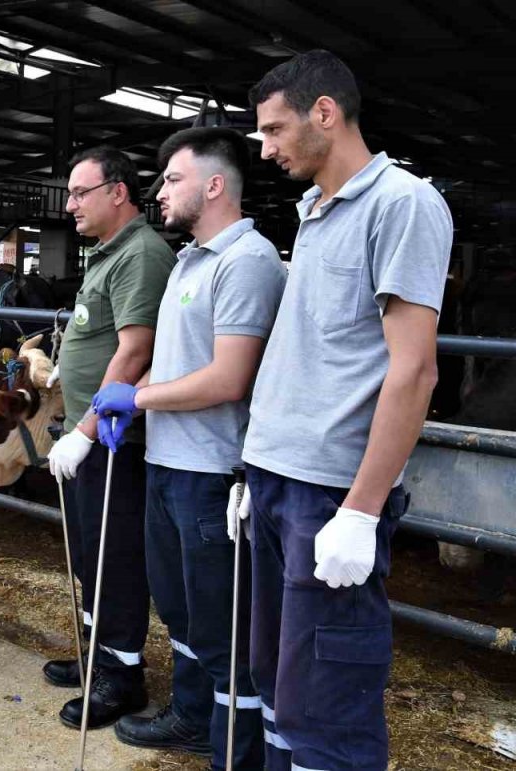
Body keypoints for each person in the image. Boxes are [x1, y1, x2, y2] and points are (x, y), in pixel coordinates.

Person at [240, 51, 452, 770]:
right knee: (277, 681)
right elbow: (312, 350)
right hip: (278, 479)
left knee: (328, 697)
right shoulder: (315, 210)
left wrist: (361, 510)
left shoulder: (402, 203)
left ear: (324, 113)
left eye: (274, 130)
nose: (265, 149)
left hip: (328, 493)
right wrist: (258, 462)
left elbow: (414, 367)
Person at [91, 128, 286, 768]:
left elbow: (229, 378)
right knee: (179, 605)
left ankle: (233, 744)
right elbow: (171, 362)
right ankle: (192, 714)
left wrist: (137, 402)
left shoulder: (247, 261)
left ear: (213, 185)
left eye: (172, 179)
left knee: (222, 618)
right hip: (168, 463)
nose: (160, 192)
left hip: (212, 473)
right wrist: (124, 395)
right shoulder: (187, 261)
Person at [44, 147, 176, 730]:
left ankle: (122, 677)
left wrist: (85, 430)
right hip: (89, 433)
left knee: (114, 555)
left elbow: (136, 350)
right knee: (89, 554)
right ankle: (98, 658)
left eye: (79, 192)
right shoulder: (105, 255)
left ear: (117, 192)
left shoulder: (141, 254)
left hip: (116, 440)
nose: (70, 205)